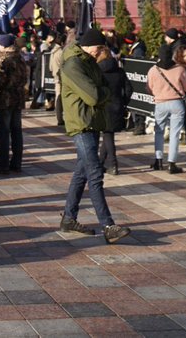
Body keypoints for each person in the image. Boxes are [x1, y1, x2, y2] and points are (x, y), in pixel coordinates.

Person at [59, 29, 131, 244]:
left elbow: (105, 87)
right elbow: (94, 96)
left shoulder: (87, 61)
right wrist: (103, 93)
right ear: (89, 46)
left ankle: (69, 218)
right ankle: (107, 225)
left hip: (92, 121)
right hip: (82, 124)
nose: (101, 52)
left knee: (81, 174)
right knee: (94, 174)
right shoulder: (74, 64)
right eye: (99, 47)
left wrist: (103, 92)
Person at [147, 43, 186, 174]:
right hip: (177, 103)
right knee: (174, 134)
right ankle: (172, 163)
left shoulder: (153, 70)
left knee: (159, 131)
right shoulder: (179, 69)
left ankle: (158, 160)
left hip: (160, 104)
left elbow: (149, 89)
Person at [0, 33, 30, 174]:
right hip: (18, 99)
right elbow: (25, 78)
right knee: (17, 131)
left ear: (4, 46)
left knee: (3, 132)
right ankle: (17, 163)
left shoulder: (3, 59)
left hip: (4, 99)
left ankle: (3, 164)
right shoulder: (20, 58)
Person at [96, 45, 128, 176]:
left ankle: (113, 164)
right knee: (108, 134)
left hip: (103, 106)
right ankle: (100, 163)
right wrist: (123, 102)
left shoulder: (97, 71)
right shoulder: (119, 71)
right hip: (116, 105)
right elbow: (129, 89)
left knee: (108, 134)